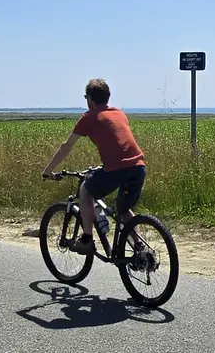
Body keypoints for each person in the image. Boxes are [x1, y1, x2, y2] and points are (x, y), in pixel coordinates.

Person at [41, 78, 147, 254]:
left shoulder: (88, 117)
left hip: (117, 169)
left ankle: (87, 239)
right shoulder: (119, 113)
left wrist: (48, 170)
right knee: (123, 209)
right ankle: (140, 249)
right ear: (107, 97)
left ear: (90, 99)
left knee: (85, 190)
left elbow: (67, 146)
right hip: (138, 166)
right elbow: (118, 144)